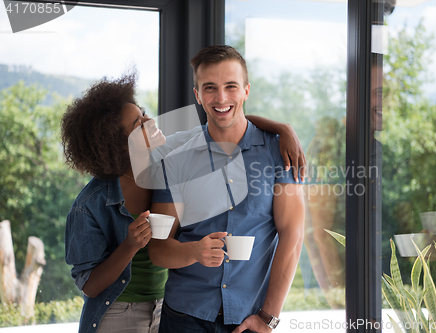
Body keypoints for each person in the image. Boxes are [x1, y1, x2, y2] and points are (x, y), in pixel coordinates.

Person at [62, 71, 305, 333]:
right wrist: (130, 246)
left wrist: (283, 129)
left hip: (166, 309)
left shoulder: (169, 160)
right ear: (117, 145)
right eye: (138, 124)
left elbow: (227, 122)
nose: (150, 120)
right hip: (119, 312)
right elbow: (90, 285)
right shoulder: (89, 205)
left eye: (143, 113)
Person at [148, 45, 305, 333]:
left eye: (230, 86)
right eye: (209, 88)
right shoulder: (175, 160)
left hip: (251, 319)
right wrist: (194, 252)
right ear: (197, 95)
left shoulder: (277, 152)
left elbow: (292, 235)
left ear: (246, 90)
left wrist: (268, 317)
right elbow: (158, 248)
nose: (221, 98)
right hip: (185, 318)